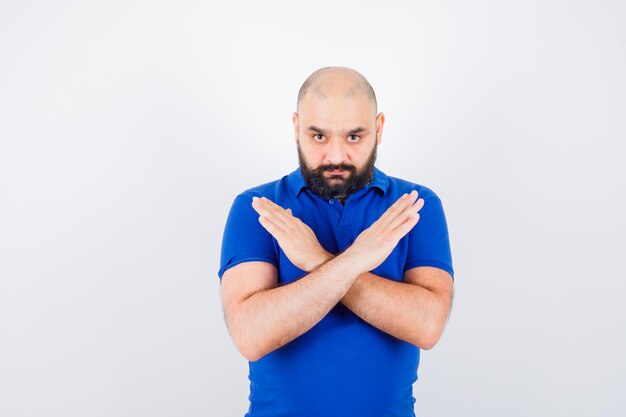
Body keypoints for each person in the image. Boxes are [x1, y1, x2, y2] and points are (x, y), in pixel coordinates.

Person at [218, 66, 455, 417]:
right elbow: (251, 335)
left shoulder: (414, 207)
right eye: (319, 137)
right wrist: (355, 260)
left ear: (378, 128)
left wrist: (316, 259)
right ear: (296, 128)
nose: (336, 157)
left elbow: (428, 326)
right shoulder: (259, 209)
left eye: (354, 137)